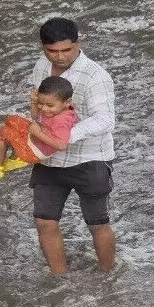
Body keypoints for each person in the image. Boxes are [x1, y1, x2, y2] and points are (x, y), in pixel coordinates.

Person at [25, 17, 116, 274]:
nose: (60, 57)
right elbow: (41, 110)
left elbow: (105, 120)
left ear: (78, 43)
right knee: (44, 221)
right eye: (52, 51)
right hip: (50, 160)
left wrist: (61, 138)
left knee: (97, 223)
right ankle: (59, 280)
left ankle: (108, 276)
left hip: (90, 159)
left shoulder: (96, 76)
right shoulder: (41, 67)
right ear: (43, 47)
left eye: (67, 50)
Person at [0, 75, 77, 178]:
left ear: (67, 102)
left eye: (49, 105)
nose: (44, 108)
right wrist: (34, 102)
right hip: (36, 139)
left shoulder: (61, 121)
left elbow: (61, 146)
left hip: (35, 151)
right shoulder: (61, 107)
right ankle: (15, 158)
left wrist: (37, 133)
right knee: (13, 120)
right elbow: (35, 116)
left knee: (5, 132)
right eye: (41, 104)